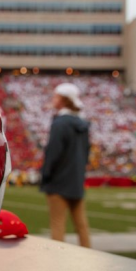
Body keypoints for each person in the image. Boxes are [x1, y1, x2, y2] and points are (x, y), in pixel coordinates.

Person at [40, 83, 91, 247]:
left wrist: (46, 174)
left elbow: (53, 153)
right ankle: (89, 258)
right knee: (82, 226)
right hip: (76, 180)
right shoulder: (82, 124)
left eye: (56, 96)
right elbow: (86, 152)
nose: (53, 99)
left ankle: (57, 263)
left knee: (57, 225)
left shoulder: (60, 123)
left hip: (58, 181)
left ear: (63, 100)